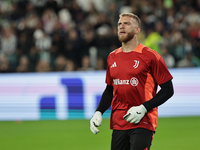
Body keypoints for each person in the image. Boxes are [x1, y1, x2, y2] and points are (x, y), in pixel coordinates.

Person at [90, 13, 174, 150]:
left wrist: (144, 108)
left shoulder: (151, 56)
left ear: (137, 30)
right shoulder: (112, 57)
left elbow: (168, 90)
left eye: (127, 23)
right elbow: (110, 89)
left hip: (143, 121)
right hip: (119, 122)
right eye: (119, 24)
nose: (121, 26)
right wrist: (98, 112)